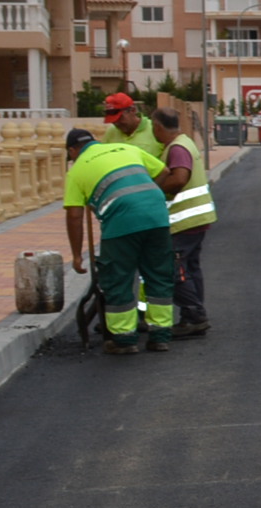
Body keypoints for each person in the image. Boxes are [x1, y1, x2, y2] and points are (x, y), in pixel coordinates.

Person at [62, 122, 177, 354]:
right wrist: (143, 199)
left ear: (73, 151)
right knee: (158, 274)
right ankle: (160, 337)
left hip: (121, 224)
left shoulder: (77, 169)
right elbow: (164, 172)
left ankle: (124, 340)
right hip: (157, 216)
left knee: (118, 279)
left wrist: (76, 256)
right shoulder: (126, 149)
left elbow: (74, 216)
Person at [153, 106, 215, 337]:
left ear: (158, 127)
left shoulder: (177, 148)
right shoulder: (186, 142)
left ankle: (195, 314)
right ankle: (193, 315)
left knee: (173, 268)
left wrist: (153, 190)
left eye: (153, 128)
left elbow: (179, 179)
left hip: (184, 219)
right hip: (197, 217)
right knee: (191, 268)